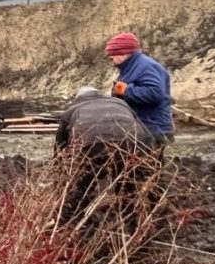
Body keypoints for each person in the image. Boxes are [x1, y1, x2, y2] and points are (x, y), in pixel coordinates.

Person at [55, 86, 155, 227]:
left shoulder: (72, 108)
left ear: (78, 98)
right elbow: (146, 132)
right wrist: (149, 161)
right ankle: (135, 227)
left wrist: (60, 171)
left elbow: (60, 145)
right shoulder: (119, 103)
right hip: (132, 144)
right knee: (129, 190)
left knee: (81, 189)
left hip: (91, 145)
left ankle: (70, 225)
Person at [105, 32, 174, 147]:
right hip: (142, 130)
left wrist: (126, 91)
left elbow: (155, 93)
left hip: (153, 131)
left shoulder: (146, 66)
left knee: (151, 164)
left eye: (112, 56)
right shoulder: (132, 66)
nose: (110, 59)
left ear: (124, 53)